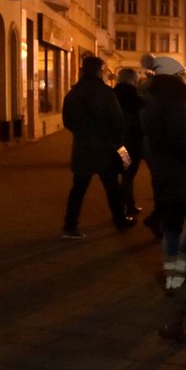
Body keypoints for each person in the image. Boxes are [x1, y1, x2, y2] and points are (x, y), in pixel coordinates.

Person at [141, 56, 186, 343]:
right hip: (182, 177)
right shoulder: (175, 104)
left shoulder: (152, 100)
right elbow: (181, 140)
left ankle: (172, 276)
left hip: (163, 175)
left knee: (171, 227)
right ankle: (182, 273)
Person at [61, 56, 136, 239]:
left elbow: (67, 122)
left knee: (78, 190)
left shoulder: (73, 94)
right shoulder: (106, 93)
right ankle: (120, 220)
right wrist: (116, 140)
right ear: (98, 71)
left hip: (82, 149)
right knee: (112, 189)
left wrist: (82, 133)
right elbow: (117, 122)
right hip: (105, 150)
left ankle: (70, 226)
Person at [114, 68, 146, 216]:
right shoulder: (134, 96)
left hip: (119, 141)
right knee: (129, 174)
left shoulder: (114, 94)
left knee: (127, 173)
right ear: (132, 79)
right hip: (132, 141)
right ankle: (121, 210)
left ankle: (130, 204)